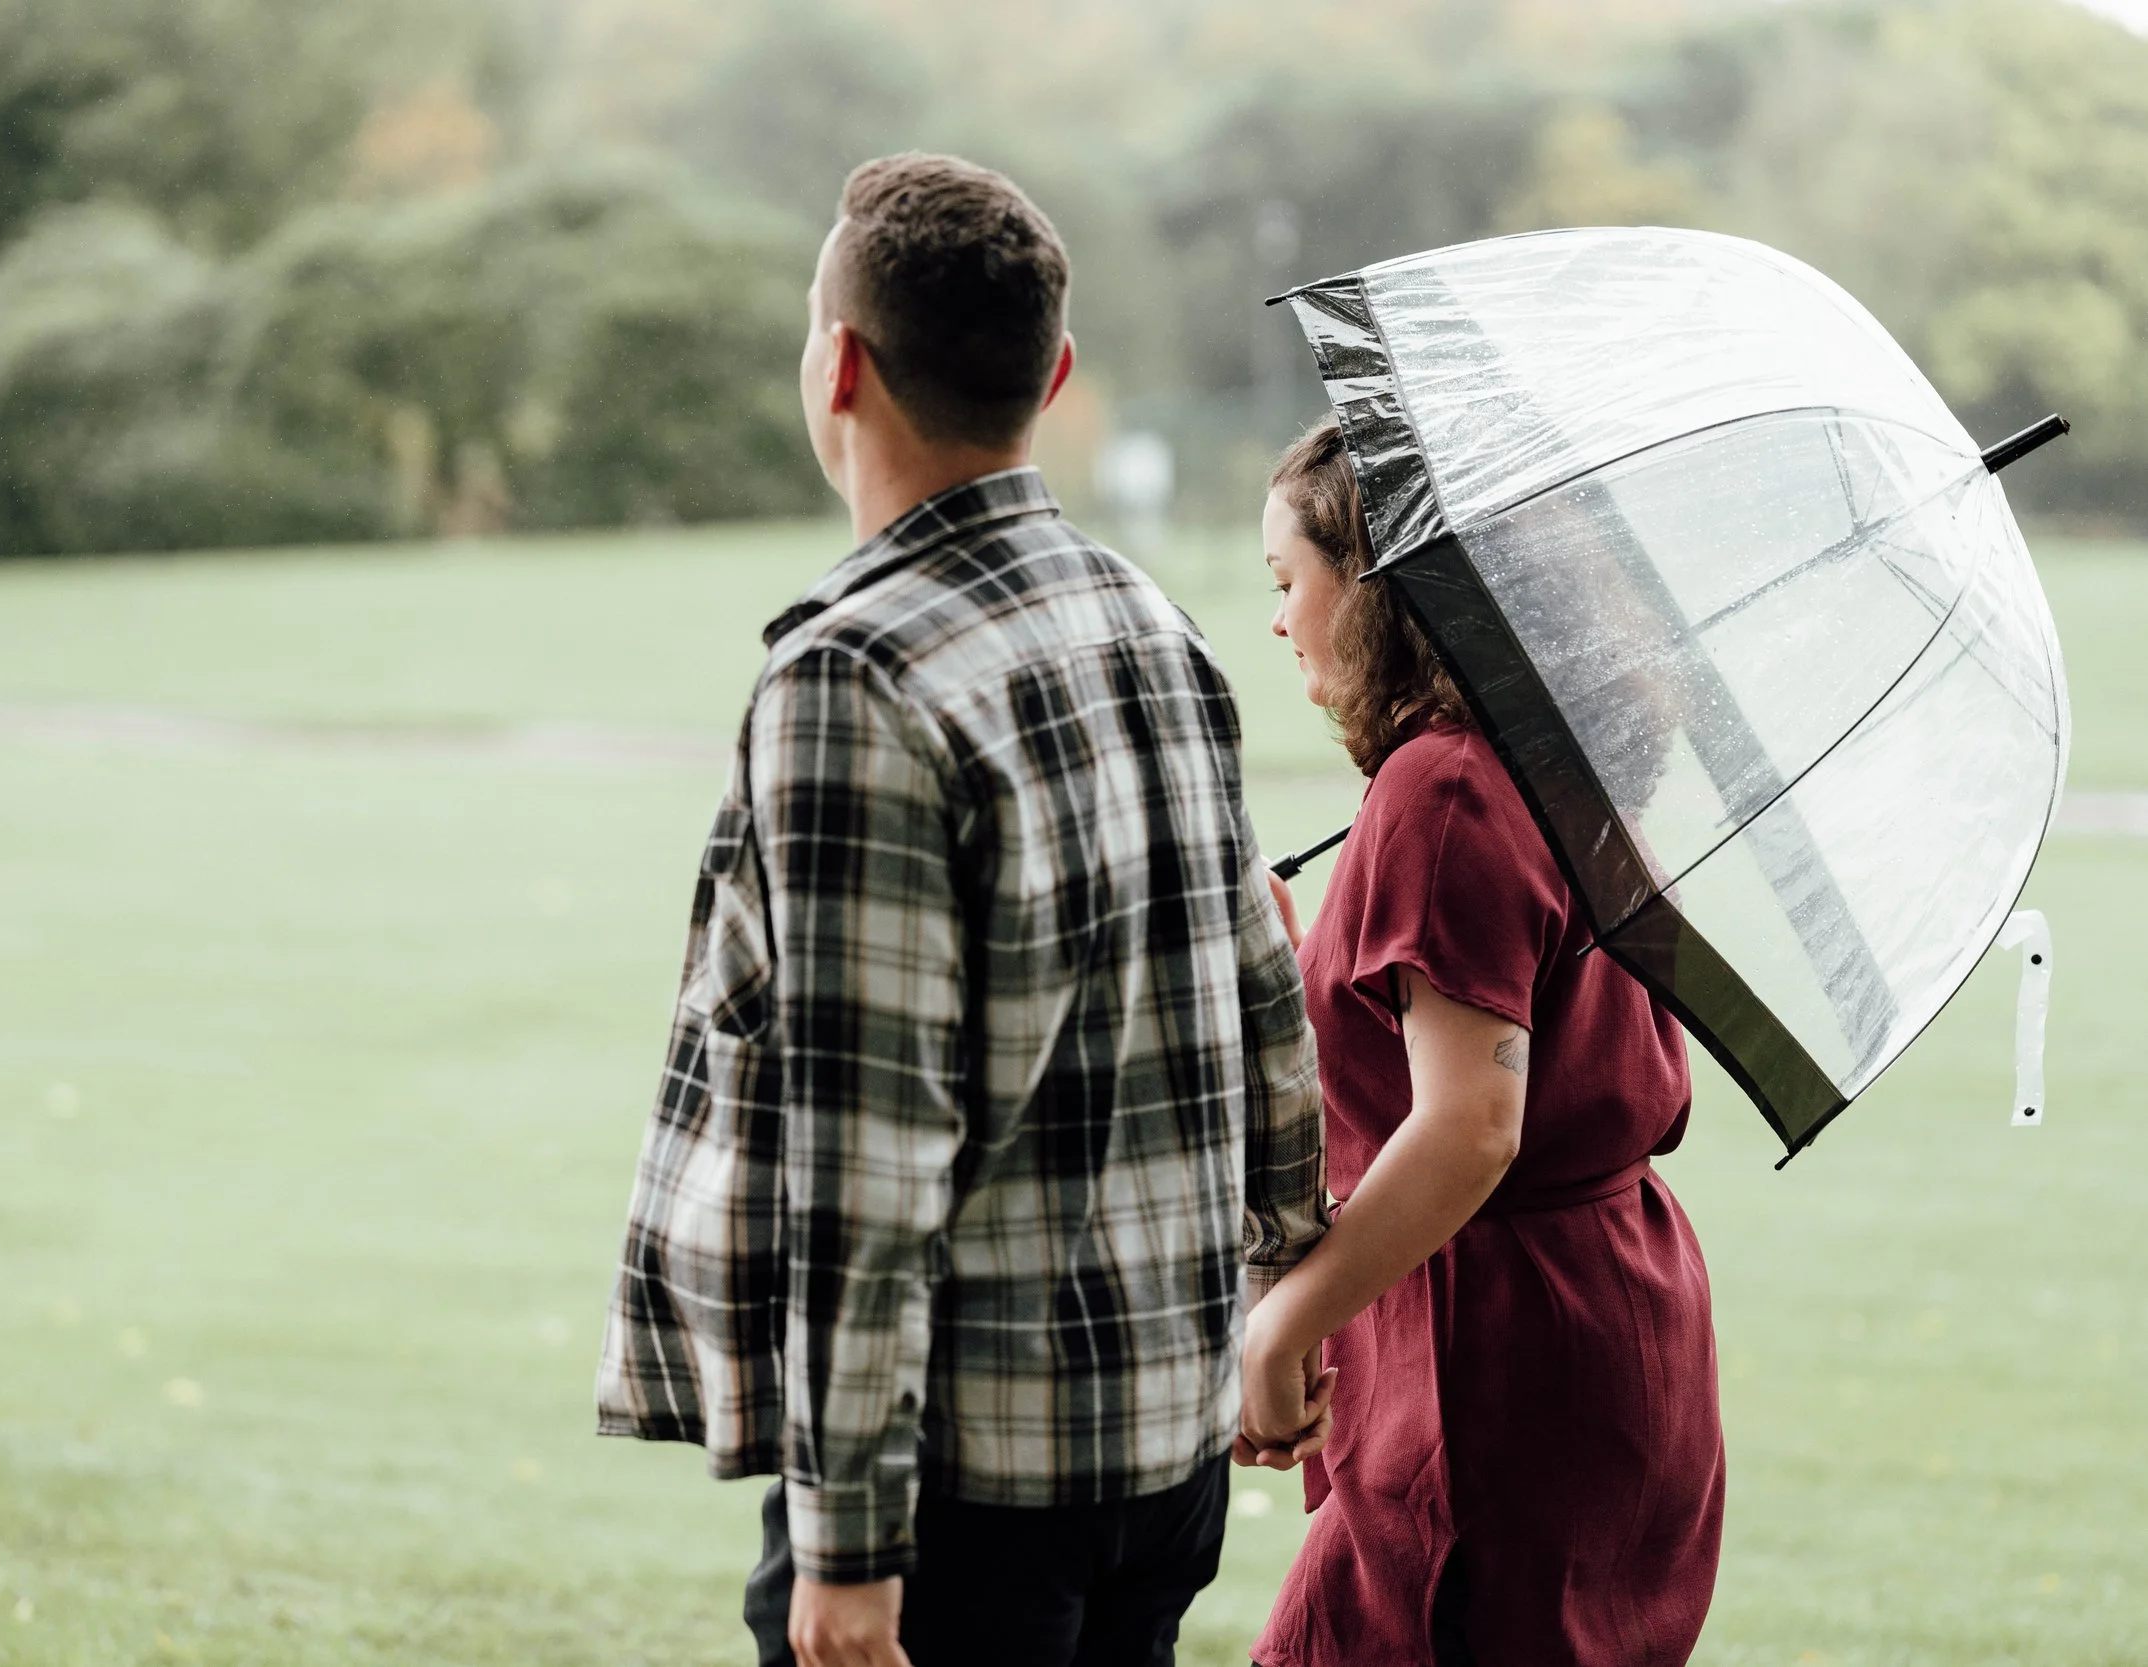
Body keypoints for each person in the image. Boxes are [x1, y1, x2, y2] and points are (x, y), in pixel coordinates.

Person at [595, 153, 1330, 1667]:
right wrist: (1285, 1276)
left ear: (839, 365)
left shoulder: (851, 678)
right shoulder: (1150, 621)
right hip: (1160, 1447)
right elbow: (1264, 978)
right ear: (1055, 375)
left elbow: (869, 1142)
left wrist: (851, 1546)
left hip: (964, 1491)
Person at [1242, 420, 1725, 1666]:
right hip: (1608, 1322)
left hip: (1493, 1357)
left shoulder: (1444, 787)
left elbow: (1471, 1122)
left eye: (1287, 582)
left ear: (1375, 586)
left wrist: (1281, 1323)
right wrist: (1305, 953)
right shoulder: (1558, 763)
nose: (1279, 621)